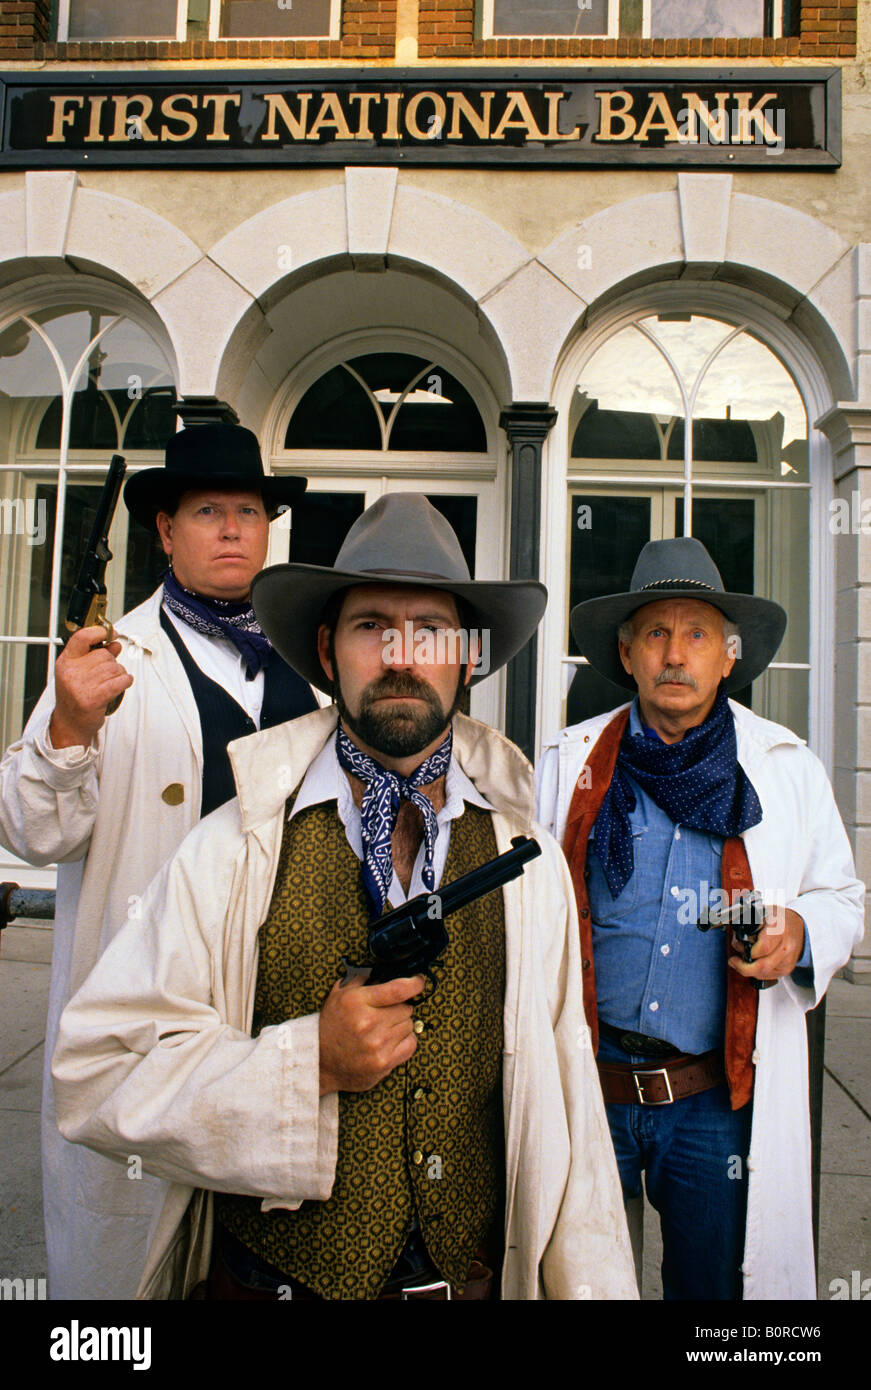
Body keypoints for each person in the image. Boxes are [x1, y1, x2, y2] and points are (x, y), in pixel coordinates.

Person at [51, 493, 638, 1301]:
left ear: (467, 656)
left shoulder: (525, 863)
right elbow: (96, 1074)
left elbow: (567, 1115)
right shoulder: (232, 848)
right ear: (327, 651)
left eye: (429, 630)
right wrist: (303, 1065)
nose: (401, 655)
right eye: (371, 627)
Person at [0, 422, 317, 1299]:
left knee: (260, 1264)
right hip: (147, 1011)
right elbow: (32, 832)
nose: (229, 529)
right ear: (166, 532)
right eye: (206, 510)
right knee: (134, 1278)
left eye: (247, 511)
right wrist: (67, 730)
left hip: (272, 1018)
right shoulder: (105, 663)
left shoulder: (310, 665)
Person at [536, 535, 865, 1301]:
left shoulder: (784, 766)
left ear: (728, 655)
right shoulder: (569, 762)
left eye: (695, 635)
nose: (673, 654)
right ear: (625, 654)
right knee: (578, 1285)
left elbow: (842, 898)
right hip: (591, 1090)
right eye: (655, 633)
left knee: (712, 1301)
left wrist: (799, 933)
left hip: (714, 1101)